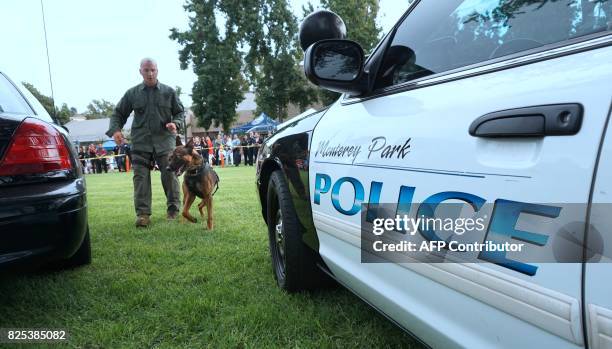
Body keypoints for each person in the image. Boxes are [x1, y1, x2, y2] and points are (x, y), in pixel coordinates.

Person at [106, 57, 184, 228]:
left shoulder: (169, 92)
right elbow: (118, 114)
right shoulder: (132, 94)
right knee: (140, 178)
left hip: (165, 141)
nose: (150, 73)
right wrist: (116, 130)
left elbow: (180, 113)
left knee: (169, 175)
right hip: (141, 142)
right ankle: (143, 215)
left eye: (153, 70)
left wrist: (175, 123)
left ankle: (173, 210)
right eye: (146, 70)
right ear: (140, 71)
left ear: (157, 70)